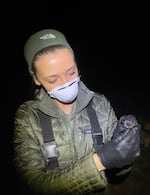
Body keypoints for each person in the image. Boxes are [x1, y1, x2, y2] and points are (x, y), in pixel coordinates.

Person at [13, 29, 141, 195]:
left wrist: (125, 152)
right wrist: (99, 161)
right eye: (53, 79)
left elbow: (118, 174)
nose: (66, 82)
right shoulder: (28, 117)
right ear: (36, 79)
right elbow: (33, 185)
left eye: (71, 72)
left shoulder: (100, 104)